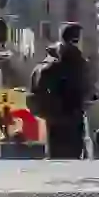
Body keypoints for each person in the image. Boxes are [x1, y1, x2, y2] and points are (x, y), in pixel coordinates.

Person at [30, 23, 91, 160]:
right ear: (75, 40)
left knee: (57, 158)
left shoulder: (48, 61)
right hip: (71, 118)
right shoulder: (75, 62)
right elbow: (83, 89)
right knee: (70, 159)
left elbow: (35, 89)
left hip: (54, 120)